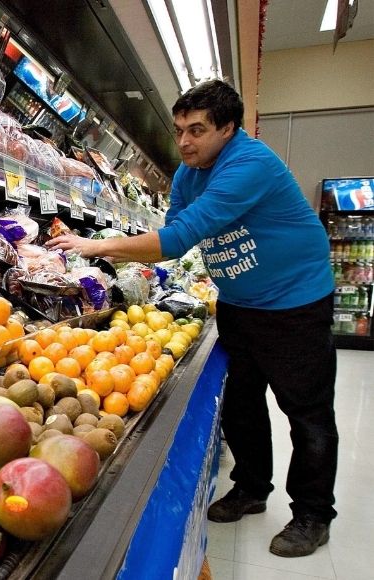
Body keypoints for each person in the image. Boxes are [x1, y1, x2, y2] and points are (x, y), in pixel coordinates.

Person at [47, 79, 338, 558]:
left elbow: (182, 238)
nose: (184, 141)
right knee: (242, 404)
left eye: (197, 130)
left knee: (306, 414)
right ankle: (250, 488)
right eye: (179, 129)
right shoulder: (188, 172)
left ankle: (312, 514)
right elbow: (171, 234)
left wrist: (96, 246)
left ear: (228, 129)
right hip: (241, 305)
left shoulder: (250, 163)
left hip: (294, 305)